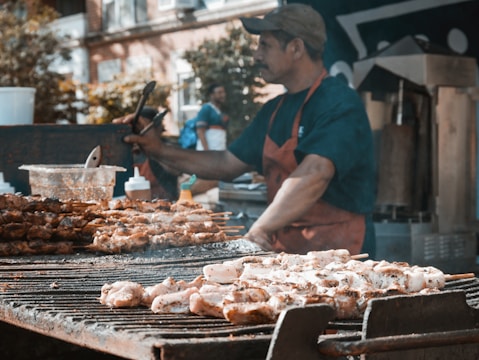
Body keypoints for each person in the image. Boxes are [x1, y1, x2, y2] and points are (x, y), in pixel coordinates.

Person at [115, 3, 376, 257]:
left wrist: (260, 228)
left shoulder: (339, 102)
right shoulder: (273, 109)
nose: (256, 56)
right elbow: (227, 163)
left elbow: (315, 173)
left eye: (265, 45)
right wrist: (158, 148)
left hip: (339, 252)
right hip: (287, 249)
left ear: (296, 48)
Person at [132, 107, 179, 201]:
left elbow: (176, 170)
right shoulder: (130, 151)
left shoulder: (169, 148)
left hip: (165, 203)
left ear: (159, 128)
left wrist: (156, 153)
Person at [195, 83, 229, 151]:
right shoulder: (206, 108)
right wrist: (206, 151)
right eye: (219, 93)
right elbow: (200, 131)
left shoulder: (221, 111)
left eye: (223, 92)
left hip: (220, 150)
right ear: (212, 95)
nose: (223, 95)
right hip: (209, 152)